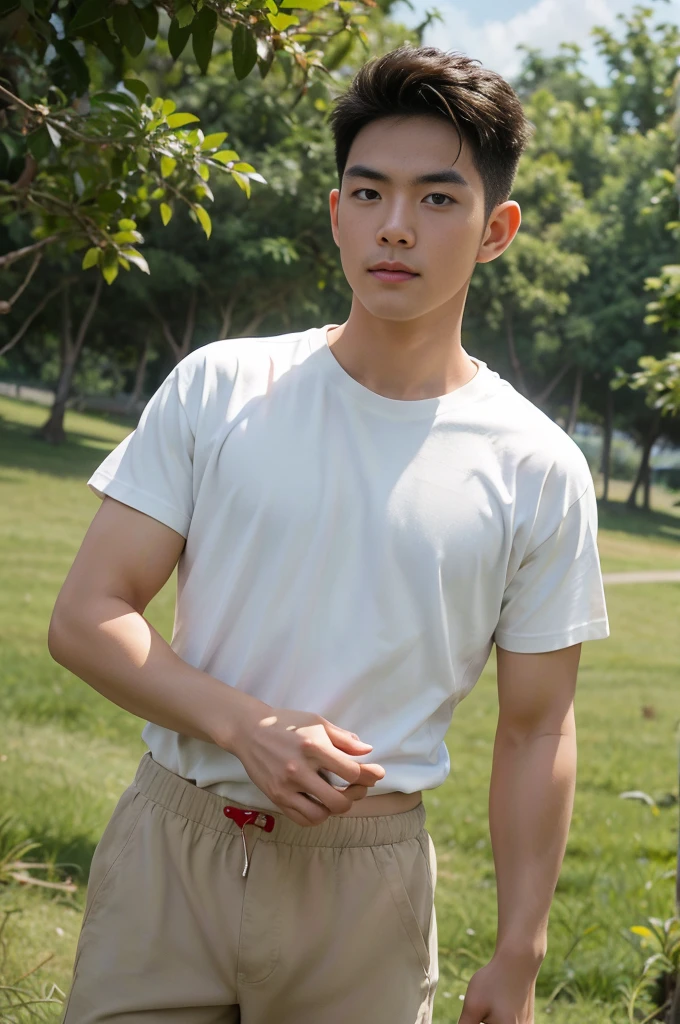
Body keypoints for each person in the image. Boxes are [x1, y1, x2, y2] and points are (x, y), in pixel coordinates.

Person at [49, 44, 609, 1024]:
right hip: (169, 852)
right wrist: (243, 723)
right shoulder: (220, 387)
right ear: (334, 209)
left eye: (437, 199)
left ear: (496, 229)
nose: (394, 227)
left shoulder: (537, 466)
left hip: (368, 886)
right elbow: (89, 615)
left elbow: (535, 727)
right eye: (367, 192)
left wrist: (519, 948)